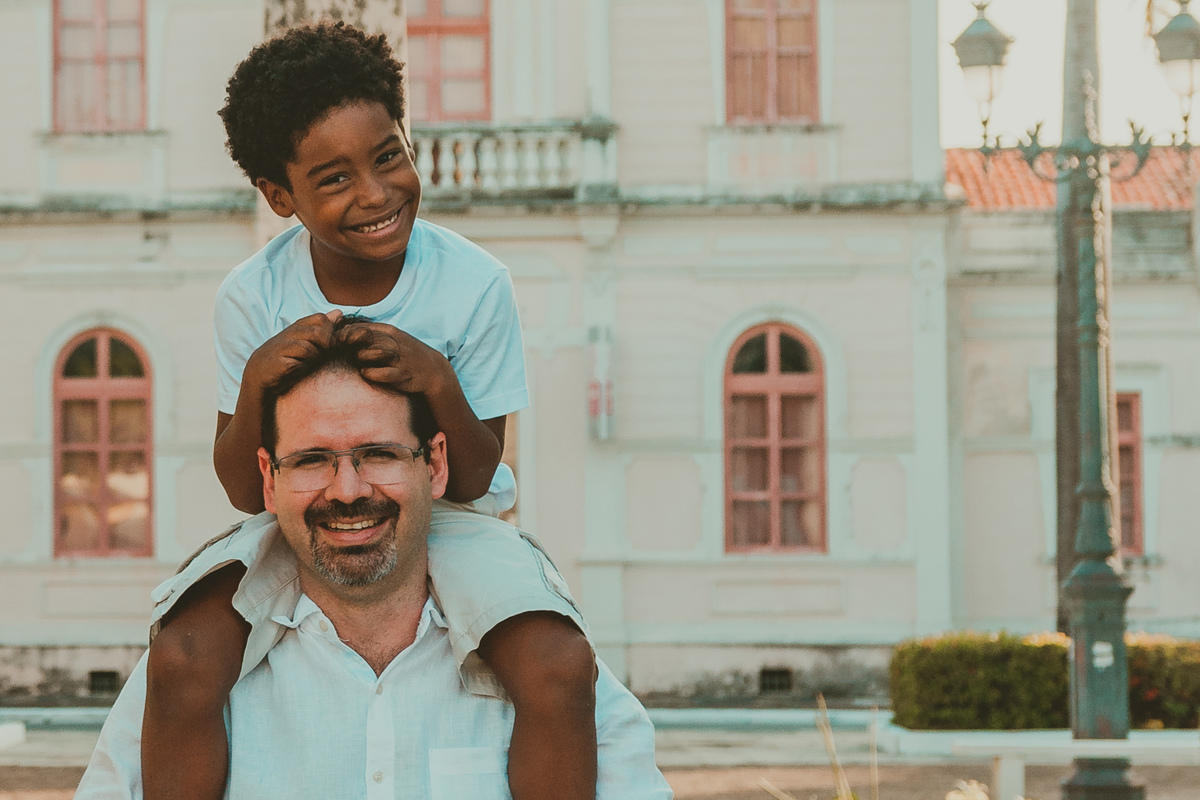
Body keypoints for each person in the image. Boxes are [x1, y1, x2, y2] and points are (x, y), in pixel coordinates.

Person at [141, 22, 596, 800]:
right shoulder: (253, 295)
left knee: (558, 666)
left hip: (454, 523)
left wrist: (435, 379)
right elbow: (245, 489)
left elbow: (477, 476)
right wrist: (257, 382)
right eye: (334, 178)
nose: (376, 193)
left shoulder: (473, 283)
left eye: (388, 156)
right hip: (303, 519)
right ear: (279, 196)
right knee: (183, 657)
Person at [75, 325, 673, 799]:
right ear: (268, 480)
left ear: (435, 465)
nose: (347, 490)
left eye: (379, 453)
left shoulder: (552, 669)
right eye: (312, 460)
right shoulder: (189, 671)